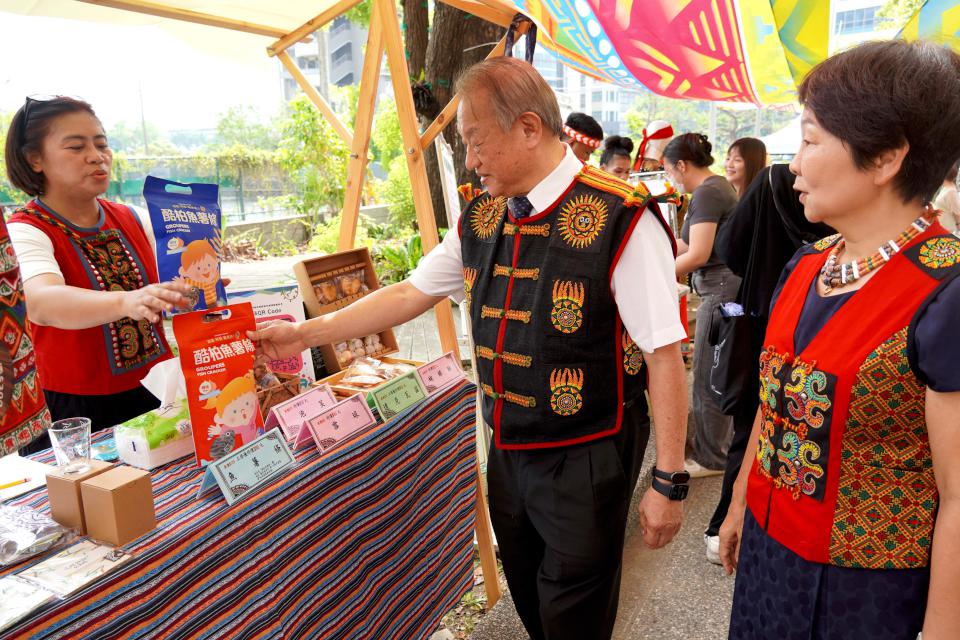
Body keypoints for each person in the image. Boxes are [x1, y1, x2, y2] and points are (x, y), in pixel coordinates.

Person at [251, 57, 689, 640]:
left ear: (528, 128)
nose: (470, 160)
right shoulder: (483, 215)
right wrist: (305, 334)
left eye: (476, 141)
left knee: (574, 615)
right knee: (530, 595)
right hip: (506, 448)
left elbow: (663, 353)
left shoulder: (621, 216)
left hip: (586, 454)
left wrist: (668, 480)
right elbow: (409, 292)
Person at [720, 40, 960, 639]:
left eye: (810, 140)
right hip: (769, 556)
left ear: (885, 157)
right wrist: (740, 501)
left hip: (867, 593)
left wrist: (942, 628)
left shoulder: (946, 293)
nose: (793, 165)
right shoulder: (808, 263)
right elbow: (772, 401)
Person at [3, 96, 191, 453]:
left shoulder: (133, 217)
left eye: (101, 144)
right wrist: (127, 301)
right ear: (34, 159)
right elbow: (41, 301)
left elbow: (169, 284)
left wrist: (191, 289)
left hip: (156, 393)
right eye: (76, 147)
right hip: (72, 412)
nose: (96, 156)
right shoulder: (26, 230)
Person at [699, 164, 833, 565]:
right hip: (814, 321)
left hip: (760, 317)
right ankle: (755, 521)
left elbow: (729, 248)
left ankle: (724, 525)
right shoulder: (832, 209)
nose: (799, 164)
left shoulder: (772, 179)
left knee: (750, 424)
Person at [665, 133, 740, 477]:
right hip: (723, 290)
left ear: (681, 165)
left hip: (721, 291)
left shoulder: (708, 193)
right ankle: (713, 449)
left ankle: (712, 459)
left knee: (710, 373)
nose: (670, 179)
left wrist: (658, 276)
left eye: (669, 170)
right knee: (714, 369)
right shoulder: (714, 188)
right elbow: (684, 244)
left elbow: (696, 254)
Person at [932, 160, 959, 233]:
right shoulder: (946, 187)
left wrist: (958, 226)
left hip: (943, 227)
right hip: (937, 224)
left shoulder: (951, 191)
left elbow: (957, 212)